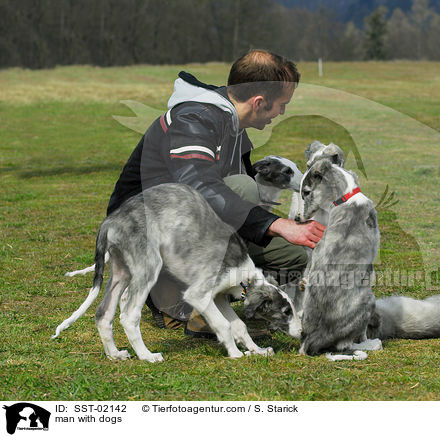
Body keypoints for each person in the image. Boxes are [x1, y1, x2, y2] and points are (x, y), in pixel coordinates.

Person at [106, 49, 325, 336]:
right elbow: (200, 187)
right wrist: (276, 223)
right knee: (245, 189)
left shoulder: (235, 125)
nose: (282, 112)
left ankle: (240, 299)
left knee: (295, 255)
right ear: (259, 102)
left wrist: (284, 230)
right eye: (281, 105)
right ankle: (194, 308)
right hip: (143, 235)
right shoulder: (194, 118)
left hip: (192, 233)